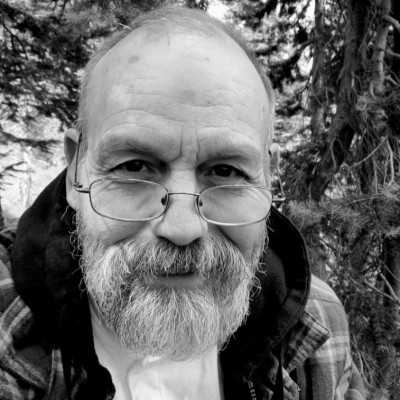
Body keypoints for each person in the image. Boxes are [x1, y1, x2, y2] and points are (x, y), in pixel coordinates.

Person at [0, 6, 365, 400]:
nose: (182, 228)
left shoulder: (318, 324)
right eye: (134, 166)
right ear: (77, 171)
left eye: (225, 171)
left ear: (267, 178)